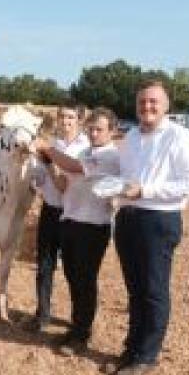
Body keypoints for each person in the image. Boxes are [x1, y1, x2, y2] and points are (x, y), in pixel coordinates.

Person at [110, 80, 189, 375]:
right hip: (128, 218)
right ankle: (132, 348)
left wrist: (145, 190)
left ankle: (147, 355)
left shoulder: (180, 136)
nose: (146, 107)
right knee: (135, 289)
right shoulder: (132, 137)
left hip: (159, 221)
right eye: (142, 102)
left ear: (166, 106)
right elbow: (123, 178)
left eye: (153, 102)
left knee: (153, 290)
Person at [32, 108, 120, 355]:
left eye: (99, 129)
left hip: (92, 226)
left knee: (85, 280)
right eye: (91, 128)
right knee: (73, 279)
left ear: (112, 132)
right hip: (69, 220)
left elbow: (72, 165)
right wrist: (48, 164)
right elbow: (62, 185)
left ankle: (82, 335)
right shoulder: (84, 152)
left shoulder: (109, 156)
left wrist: (46, 148)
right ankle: (76, 328)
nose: (93, 133)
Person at [27, 101, 90, 331]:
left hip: (74, 215)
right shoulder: (51, 144)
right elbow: (41, 179)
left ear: (79, 120)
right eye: (62, 117)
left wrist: (50, 162)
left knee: (74, 270)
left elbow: (63, 185)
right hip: (51, 210)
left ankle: (78, 323)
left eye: (71, 117)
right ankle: (42, 315)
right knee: (44, 266)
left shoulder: (86, 148)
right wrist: (34, 176)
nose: (65, 121)